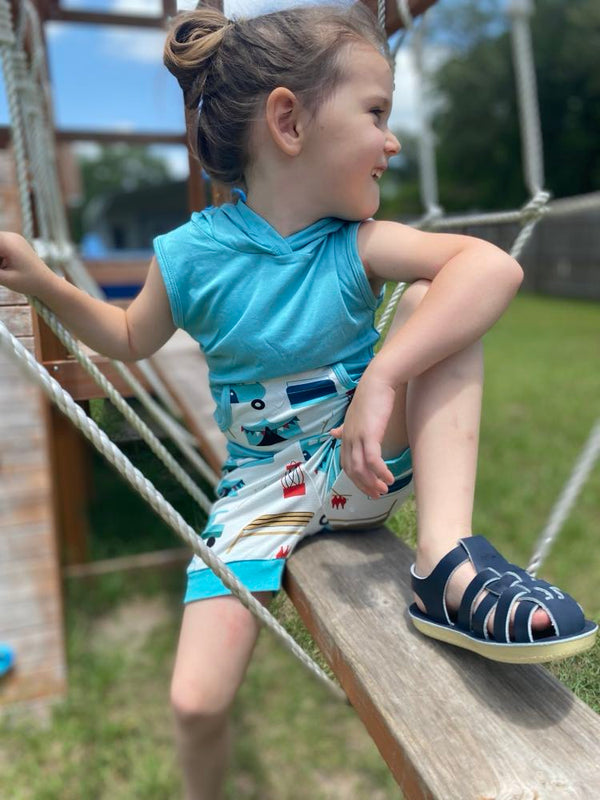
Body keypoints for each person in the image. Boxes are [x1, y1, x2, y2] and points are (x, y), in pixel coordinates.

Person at [0, 4, 596, 798]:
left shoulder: (354, 244)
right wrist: (43, 283)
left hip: (363, 455)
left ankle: (444, 561)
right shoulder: (190, 255)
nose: (393, 141)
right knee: (194, 700)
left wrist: (382, 378)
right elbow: (129, 336)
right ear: (289, 122)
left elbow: (493, 270)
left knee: (433, 301)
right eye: (376, 112)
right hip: (257, 490)